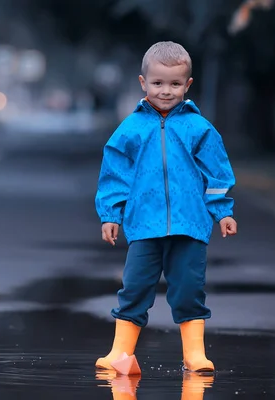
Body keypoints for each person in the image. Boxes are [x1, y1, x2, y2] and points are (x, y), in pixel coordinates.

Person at [94, 41, 237, 373]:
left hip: (191, 226)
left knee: (189, 289)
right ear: (143, 83)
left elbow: (216, 173)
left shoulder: (199, 128)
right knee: (134, 287)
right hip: (144, 225)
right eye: (158, 83)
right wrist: (111, 214)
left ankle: (194, 355)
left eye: (175, 84)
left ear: (187, 85)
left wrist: (223, 211)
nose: (166, 91)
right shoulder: (131, 128)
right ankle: (120, 352)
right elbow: (115, 173)